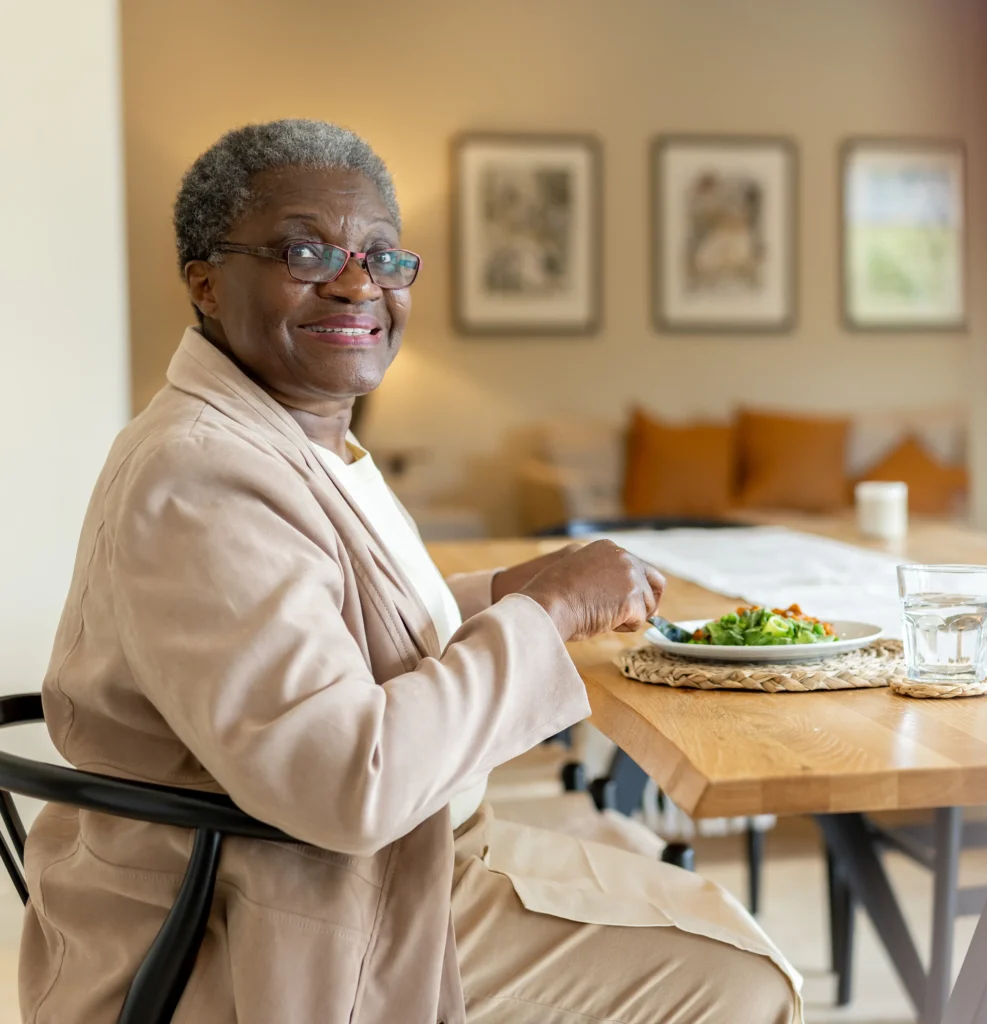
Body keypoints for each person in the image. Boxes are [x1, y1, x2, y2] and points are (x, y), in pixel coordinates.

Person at [19, 119, 800, 1024]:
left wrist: (509, 591)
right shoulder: (204, 474)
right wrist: (543, 614)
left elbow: (331, 629)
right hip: (276, 917)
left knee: (715, 916)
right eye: (305, 250)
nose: (357, 282)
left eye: (385, 257)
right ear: (204, 280)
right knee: (744, 982)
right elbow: (351, 781)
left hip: (382, 863)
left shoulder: (282, 434)